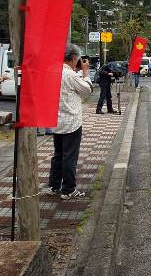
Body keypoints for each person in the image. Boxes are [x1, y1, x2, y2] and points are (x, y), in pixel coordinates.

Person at [48, 44, 92, 199]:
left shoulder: (53, 71)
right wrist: (85, 72)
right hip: (71, 122)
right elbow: (87, 90)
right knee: (69, 156)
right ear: (73, 58)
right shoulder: (70, 75)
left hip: (56, 120)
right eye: (78, 59)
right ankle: (68, 189)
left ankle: (54, 185)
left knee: (58, 155)